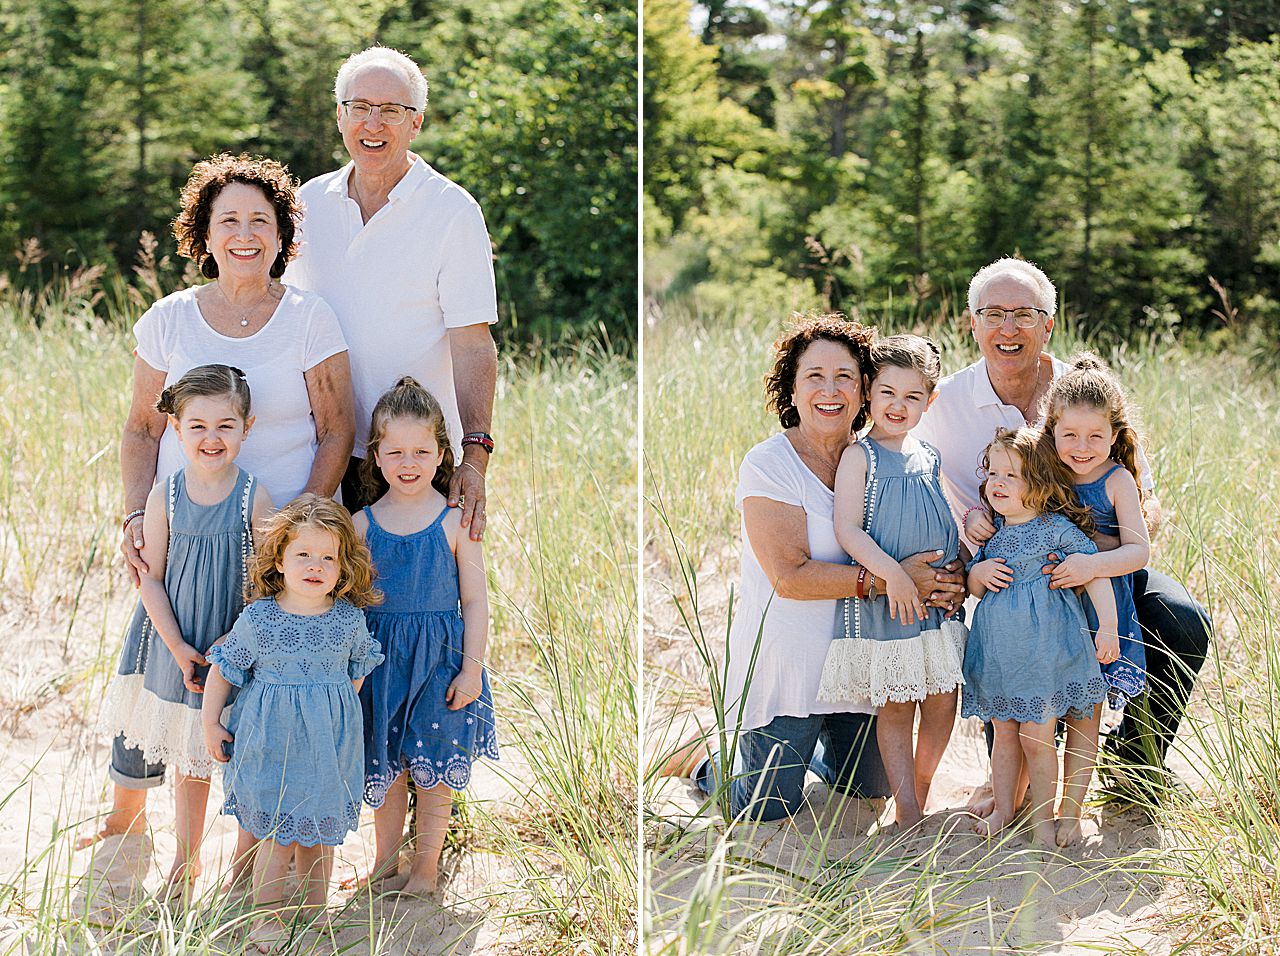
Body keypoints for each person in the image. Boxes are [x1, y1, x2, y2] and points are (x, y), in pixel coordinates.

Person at [94, 153, 355, 852]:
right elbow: (141, 428)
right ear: (203, 235)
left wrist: (297, 533)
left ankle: (243, 849)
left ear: (282, 236)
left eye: (260, 221)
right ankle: (125, 819)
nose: (245, 234)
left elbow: (337, 430)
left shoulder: (309, 317)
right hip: (181, 528)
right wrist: (132, 514)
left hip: (273, 540)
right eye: (228, 220)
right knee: (157, 665)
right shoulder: (170, 319)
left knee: (250, 688)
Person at [914, 256, 1211, 799]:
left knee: (1183, 618)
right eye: (994, 314)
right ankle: (1017, 777)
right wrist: (971, 529)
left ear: (1048, 324)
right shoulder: (942, 405)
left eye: (1024, 314)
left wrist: (1093, 545)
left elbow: (1144, 501)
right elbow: (907, 478)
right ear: (972, 323)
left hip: (1101, 570)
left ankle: (1133, 765)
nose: (1009, 328)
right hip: (1010, 583)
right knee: (1021, 758)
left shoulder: (1084, 395)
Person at [663, 314, 965, 822]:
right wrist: (890, 580)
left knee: (872, 788)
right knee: (765, 806)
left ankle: (815, 754)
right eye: (814, 377)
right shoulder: (770, 464)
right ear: (793, 388)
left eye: (845, 376)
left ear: (865, 388)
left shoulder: (883, 456)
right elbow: (790, 577)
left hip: (864, 654)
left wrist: (948, 576)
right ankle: (704, 757)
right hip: (794, 666)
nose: (830, 390)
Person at [286, 46, 498, 535]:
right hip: (321, 452)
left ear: (416, 123)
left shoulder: (452, 211)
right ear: (340, 117)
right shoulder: (306, 204)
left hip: (413, 461)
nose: (373, 124)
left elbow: (473, 343)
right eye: (359, 108)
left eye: (391, 111)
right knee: (326, 605)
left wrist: (475, 455)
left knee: (418, 606)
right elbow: (279, 314)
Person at [94, 365, 271, 893]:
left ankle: (245, 862)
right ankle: (187, 858)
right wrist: (178, 647)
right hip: (174, 641)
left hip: (232, 643)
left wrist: (231, 644)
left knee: (241, 747)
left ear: (248, 427)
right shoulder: (164, 496)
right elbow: (150, 579)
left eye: (225, 425)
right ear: (176, 429)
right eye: (197, 426)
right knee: (189, 759)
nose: (211, 438)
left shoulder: (254, 499)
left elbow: (266, 584)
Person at [202, 495, 383, 951]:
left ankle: (314, 911)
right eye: (303, 554)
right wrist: (210, 724)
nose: (315, 566)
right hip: (270, 742)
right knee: (277, 834)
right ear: (279, 559)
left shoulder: (347, 620)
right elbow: (225, 670)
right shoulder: (260, 618)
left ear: (344, 568)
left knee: (320, 837)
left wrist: (330, 714)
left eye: (328, 557)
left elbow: (356, 674)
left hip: (329, 748)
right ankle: (265, 917)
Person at [344, 377, 498, 897]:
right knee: (386, 770)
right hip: (380, 664)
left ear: (441, 456)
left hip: (441, 660)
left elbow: (475, 600)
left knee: (433, 772)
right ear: (376, 456)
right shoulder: (361, 525)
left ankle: (426, 868)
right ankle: (386, 861)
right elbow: (349, 607)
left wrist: (472, 667)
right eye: (395, 451)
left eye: (421, 451)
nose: (408, 462)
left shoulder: (455, 521)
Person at [817, 335, 968, 833]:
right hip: (893, 601)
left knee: (943, 698)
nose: (897, 407)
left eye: (912, 397)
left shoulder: (929, 454)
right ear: (867, 392)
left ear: (930, 400)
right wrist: (895, 576)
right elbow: (848, 529)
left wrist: (957, 570)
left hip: (938, 603)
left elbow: (940, 520)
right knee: (898, 702)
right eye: (886, 394)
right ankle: (906, 807)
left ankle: (921, 789)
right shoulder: (862, 457)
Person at [970, 353, 1150, 724]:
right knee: (1039, 707)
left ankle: (1120, 764)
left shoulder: (1116, 481)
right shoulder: (1044, 467)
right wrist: (976, 517)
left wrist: (1089, 565)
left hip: (1102, 600)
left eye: (1095, 437)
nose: (1081, 447)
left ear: (1113, 436)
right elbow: (1008, 506)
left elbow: (1139, 551)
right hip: (1045, 605)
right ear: (1051, 429)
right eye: (1070, 435)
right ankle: (1031, 778)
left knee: (1086, 709)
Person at [961, 427, 1119, 847]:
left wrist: (1108, 626)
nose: (998, 482)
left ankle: (1043, 818)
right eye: (993, 473)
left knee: (1037, 739)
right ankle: (1003, 810)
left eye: (1011, 475)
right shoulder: (993, 531)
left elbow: (1095, 572)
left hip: (1045, 654)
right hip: (1000, 654)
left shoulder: (1055, 530)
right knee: (1004, 739)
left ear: (1041, 483)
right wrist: (976, 573)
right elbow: (975, 588)